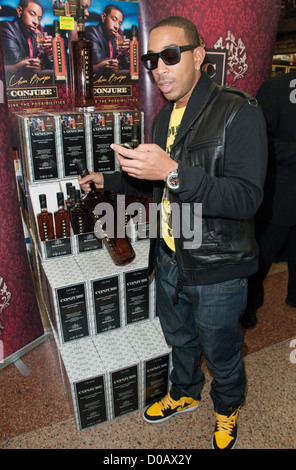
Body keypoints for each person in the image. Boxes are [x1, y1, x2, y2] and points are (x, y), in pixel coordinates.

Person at [78, 16, 267, 449]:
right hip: (169, 253)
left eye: (170, 55)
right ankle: (184, 393)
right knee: (178, 336)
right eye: (151, 60)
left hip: (218, 264)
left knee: (221, 353)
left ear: (198, 56)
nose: (159, 68)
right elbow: (154, 180)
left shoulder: (239, 111)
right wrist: (107, 180)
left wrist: (174, 172)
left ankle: (227, 407)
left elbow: (245, 199)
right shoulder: (165, 118)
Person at [240, 70, 296, 329]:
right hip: (279, 196)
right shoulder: (275, 88)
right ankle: (248, 307)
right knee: (260, 259)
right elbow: (264, 143)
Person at [0, 0, 53, 78]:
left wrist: (48, 51)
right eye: (32, 14)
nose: (36, 22)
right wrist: (38, 62)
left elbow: (47, 64)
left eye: (39, 18)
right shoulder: (6, 27)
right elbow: (16, 60)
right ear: (19, 11)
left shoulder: (34, 36)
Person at [85, 4, 129, 74]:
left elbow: (122, 64)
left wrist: (125, 53)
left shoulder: (114, 39)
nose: (117, 26)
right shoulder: (92, 31)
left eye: (119, 23)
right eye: (114, 19)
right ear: (103, 17)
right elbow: (98, 60)